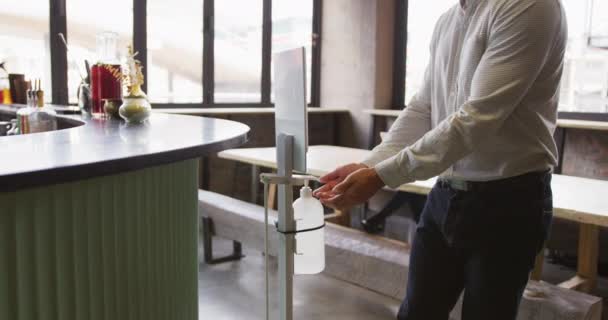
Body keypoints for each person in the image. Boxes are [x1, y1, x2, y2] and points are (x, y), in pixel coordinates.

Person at [313, 0, 567, 318]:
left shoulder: (528, 6)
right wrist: (371, 165)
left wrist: (380, 176)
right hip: (446, 194)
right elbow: (424, 107)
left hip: (509, 201)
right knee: (417, 311)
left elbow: (477, 118)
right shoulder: (448, 21)